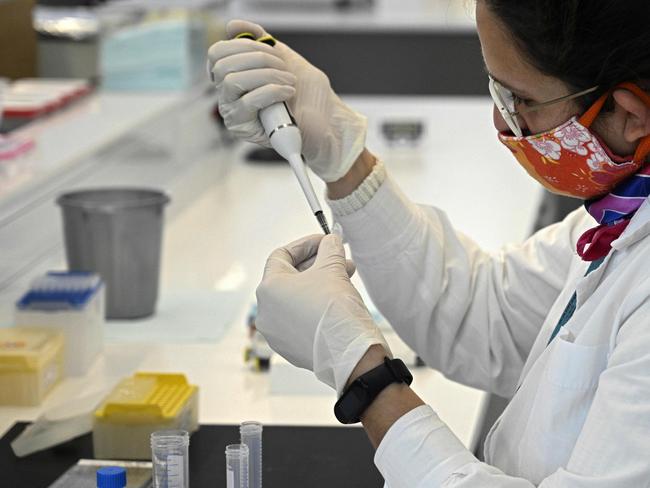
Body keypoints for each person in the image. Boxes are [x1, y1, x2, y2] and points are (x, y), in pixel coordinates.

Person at [207, 1, 650, 485]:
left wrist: (364, 375)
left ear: (630, 115)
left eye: (519, 100)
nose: (503, 125)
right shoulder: (628, 212)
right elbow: (485, 312)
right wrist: (341, 154)